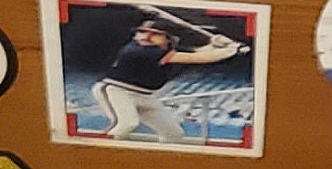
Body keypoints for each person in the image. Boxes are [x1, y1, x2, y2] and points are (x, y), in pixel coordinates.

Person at [92, 14, 244, 142]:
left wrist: (215, 44)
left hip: (146, 96)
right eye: (142, 32)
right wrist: (233, 49)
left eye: (155, 34)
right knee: (127, 123)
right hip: (116, 91)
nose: (146, 37)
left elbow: (198, 52)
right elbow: (201, 58)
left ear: (169, 39)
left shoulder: (165, 51)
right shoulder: (139, 50)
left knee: (174, 134)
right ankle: (95, 152)